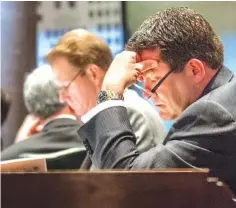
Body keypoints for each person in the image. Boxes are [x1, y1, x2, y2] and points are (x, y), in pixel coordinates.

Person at [77, 7, 236, 208]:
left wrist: (111, 90)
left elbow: (126, 186)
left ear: (194, 69)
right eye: (142, 82)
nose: (147, 93)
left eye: (154, 80)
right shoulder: (235, 91)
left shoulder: (215, 114)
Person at [45, 29, 166, 169]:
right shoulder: (108, 117)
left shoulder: (130, 113)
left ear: (93, 73)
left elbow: (126, 183)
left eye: (66, 86)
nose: (62, 97)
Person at [1, 65, 85, 170]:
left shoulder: (7, 160)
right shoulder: (99, 147)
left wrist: (18, 147)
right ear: (69, 97)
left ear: (32, 109)